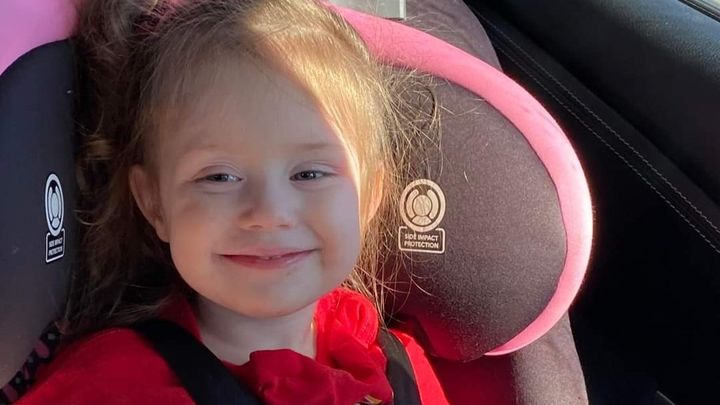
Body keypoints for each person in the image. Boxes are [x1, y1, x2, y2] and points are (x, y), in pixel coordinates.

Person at [17, 0, 447, 404]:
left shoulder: (401, 370)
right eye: (218, 177)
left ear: (368, 197)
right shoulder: (108, 386)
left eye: (310, 174)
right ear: (154, 203)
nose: (269, 214)